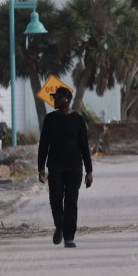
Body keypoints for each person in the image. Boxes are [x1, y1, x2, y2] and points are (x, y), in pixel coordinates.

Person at [37, 86, 93, 248]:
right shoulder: (49, 119)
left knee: (71, 201)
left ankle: (69, 237)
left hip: (74, 167)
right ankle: (60, 225)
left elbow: (84, 147)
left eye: (57, 98)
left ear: (66, 100)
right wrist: (41, 167)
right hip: (55, 166)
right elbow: (43, 145)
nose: (54, 100)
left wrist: (89, 171)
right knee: (55, 198)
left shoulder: (78, 121)